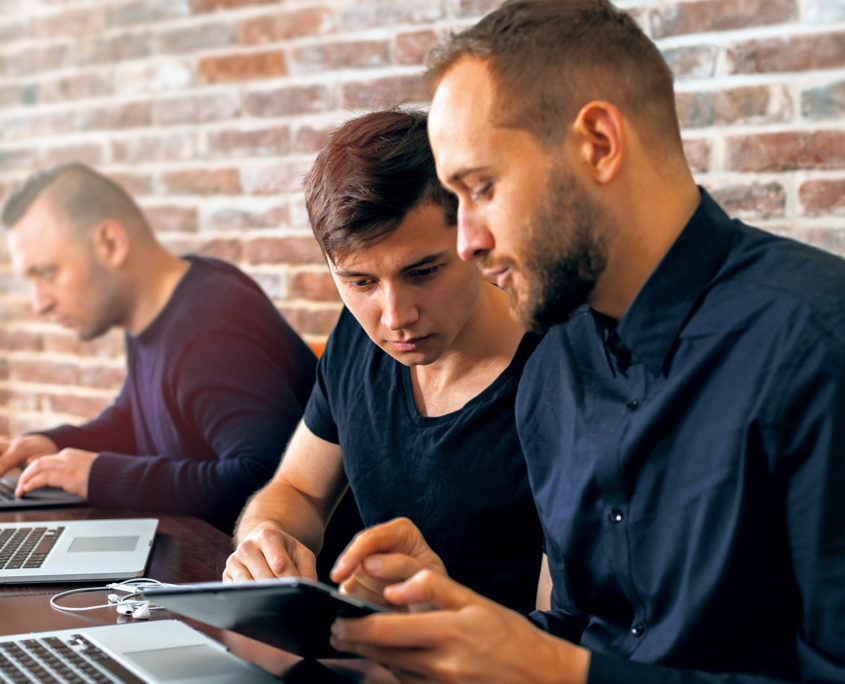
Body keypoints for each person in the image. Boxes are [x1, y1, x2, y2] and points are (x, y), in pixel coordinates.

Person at [325, 1, 845, 683]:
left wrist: (553, 671)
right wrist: (454, 626)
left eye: (480, 188)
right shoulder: (554, 370)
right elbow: (578, 632)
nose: (466, 241)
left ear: (598, 143)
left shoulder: (815, 342)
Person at [223, 109, 548, 613]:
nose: (396, 317)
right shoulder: (356, 339)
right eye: (360, 282)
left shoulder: (562, 373)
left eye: (423, 271)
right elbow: (298, 490)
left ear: (473, 236)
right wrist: (267, 538)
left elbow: (564, 633)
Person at [0, 163, 317, 533]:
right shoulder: (162, 308)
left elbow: (269, 480)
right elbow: (134, 419)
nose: (40, 303)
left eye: (47, 272)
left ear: (111, 244)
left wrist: (102, 476)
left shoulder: (210, 330)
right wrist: (53, 444)